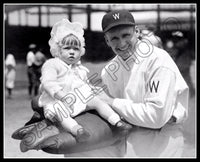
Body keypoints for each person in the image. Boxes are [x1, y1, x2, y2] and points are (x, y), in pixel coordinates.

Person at [96, 9, 189, 157]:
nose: (121, 43)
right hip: (129, 142)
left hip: (162, 142)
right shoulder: (108, 72)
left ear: (137, 32)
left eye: (126, 35)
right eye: (114, 38)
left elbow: (156, 117)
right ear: (107, 41)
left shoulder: (158, 60)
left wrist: (111, 102)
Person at [38, 18, 132, 143]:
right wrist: (61, 96)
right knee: (60, 114)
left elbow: (83, 84)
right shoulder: (52, 64)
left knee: (97, 101)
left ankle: (117, 122)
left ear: (81, 51)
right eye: (67, 48)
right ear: (58, 50)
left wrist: (91, 88)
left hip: (77, 98)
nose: (72, 52)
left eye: (76, 49)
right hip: (57, 100)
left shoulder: (80, 68)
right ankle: (77, 130)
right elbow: (48, 83)